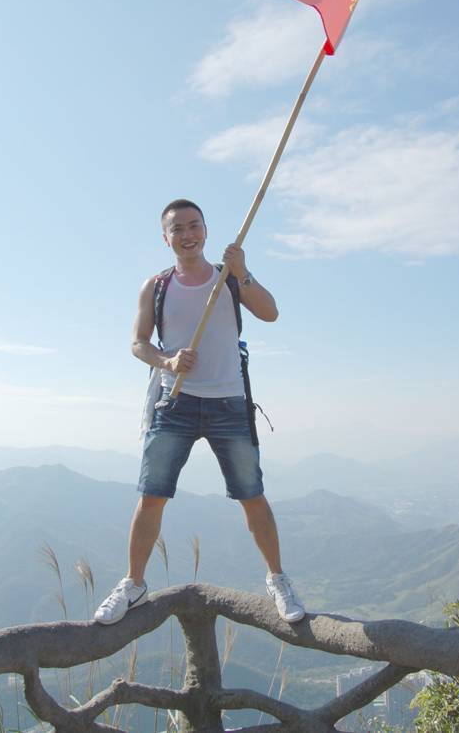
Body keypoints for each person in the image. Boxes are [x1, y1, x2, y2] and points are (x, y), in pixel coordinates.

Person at [94, 199, 304, 625]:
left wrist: (243, 271)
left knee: (251, 495)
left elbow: (270, 312)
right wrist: (168, 362)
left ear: (206, 230)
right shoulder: (156, 286)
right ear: (165, 237)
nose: (187, 235)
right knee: (151, 496)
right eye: (178, 229)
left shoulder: (229, 278)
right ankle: (134, 584)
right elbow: (138, 343)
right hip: (176, 401)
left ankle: (277, 579)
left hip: (229, 402)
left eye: (194, 226)